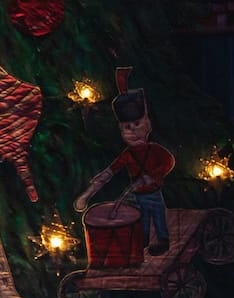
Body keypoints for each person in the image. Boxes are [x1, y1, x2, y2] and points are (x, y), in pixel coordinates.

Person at [75, 67, 175, 256]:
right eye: (126, 128)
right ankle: (143, 240)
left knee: (158, 216)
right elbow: (113, 168)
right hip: (138, 195)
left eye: (137, 125)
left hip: (154, 193)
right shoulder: (128, 154)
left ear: (148, 124)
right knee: (142, 218)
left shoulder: (154, 150)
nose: (132, 131)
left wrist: (151, 177)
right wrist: (101, 178)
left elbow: (168, 162)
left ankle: (163, 240)